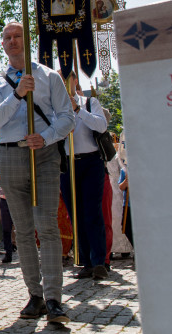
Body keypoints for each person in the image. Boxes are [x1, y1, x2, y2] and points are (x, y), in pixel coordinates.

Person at [0, 22, 74, 324]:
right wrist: (18, 94)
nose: (12, 41)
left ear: (27, 40)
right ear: (3, 44)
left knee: (46, 226)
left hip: (44, 154)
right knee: (22, 230)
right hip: (10, 154)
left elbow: (67, 117)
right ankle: (34, 294)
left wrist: (46, 137)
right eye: (7, 38)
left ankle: (54, 298)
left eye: (17, 36)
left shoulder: (49, 76)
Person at [58, 71, 109, 280]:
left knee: (92, 212)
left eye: (66, 79)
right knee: (75, 214)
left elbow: (101, 125)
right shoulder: (55, 107)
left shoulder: (89, 102)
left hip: (90, 161)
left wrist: (78, 110)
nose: (63, 83)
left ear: (74, 80)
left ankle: (99, 262)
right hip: (68, 163)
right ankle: (86, 261)